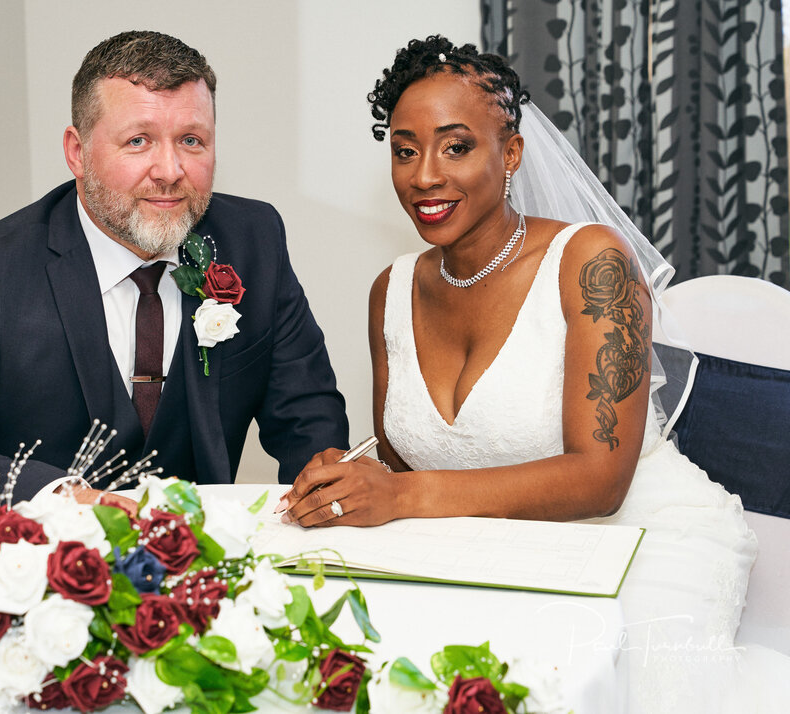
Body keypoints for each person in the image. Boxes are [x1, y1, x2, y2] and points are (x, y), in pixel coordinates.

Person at [280, 37, 789, 712]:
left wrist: (400, 498)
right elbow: (408, 461)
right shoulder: (390, 290)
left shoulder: (591, 263)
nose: (425, 174)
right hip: (492, 552)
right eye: (405, 150)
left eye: (456, 146)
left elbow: (600, 480)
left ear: (510, 154)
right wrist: (356, 477)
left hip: (641, 539)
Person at [0, 30, 348, 530]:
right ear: (77, 151)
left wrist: (323, 495)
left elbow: (308, 417)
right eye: (138, 141)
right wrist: (60, 501)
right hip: (34, 574)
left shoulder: (253, 240)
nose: (170, 170)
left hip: (205, 571)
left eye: (191, 141)